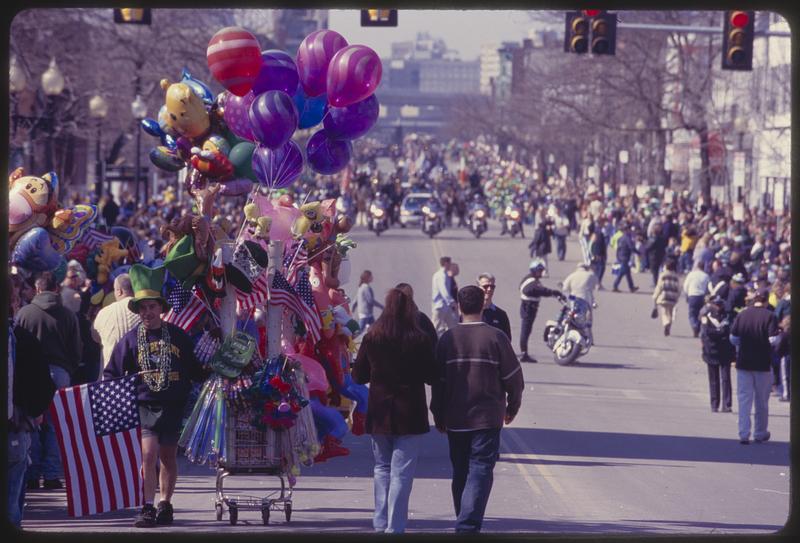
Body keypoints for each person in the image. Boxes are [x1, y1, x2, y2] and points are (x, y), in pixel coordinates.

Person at [104, 265, 206, 527]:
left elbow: (194, 369)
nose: (147, 312)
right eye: (143, 308)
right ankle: (147, 506)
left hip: (172, 404)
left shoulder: (179, 336)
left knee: (168, 457)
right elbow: (112, 373)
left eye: (151, 307)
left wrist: (215, 370)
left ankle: (165, 504)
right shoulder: (129, 340)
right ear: (138, 311)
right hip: (145, 404)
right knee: (148, 454)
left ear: (160, 308)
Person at [430, 285, 524, 533]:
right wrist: (513, 406)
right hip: (487, 419)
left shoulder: (447, 339)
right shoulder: (496, 337)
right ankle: (467, 525)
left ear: (459, 306)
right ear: (483, 304)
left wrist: (438, 413)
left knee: (461, 470)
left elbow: (438, 383)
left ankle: (464, 520)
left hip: (456, 418)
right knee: (480, 470)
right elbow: (514, 378)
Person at [352, 289, 437, 534]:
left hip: (380, 412)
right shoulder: (419, 339)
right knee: (402, 472)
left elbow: (358, 376)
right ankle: (395, 525)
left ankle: (380, 521)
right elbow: (432, 375)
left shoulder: (373, 337)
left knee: (381, 468)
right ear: (410, 308)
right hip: (410, 412)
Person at [16, 271, 82, 491]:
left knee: (32, 422)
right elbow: (76, 349)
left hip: (30, 374)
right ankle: (52, 474)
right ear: (56, 289)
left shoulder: (24, 313)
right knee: (55, 426)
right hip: (59, 372)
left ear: (37, 288)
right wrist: (69, 368)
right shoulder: (67, 314)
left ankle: (33, 474)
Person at [7, 277, 56, 528]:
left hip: (16, 422)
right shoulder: (22, 339)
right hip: (14, 424)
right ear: (13, 303)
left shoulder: (23, 338)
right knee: (12, 498)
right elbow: (43, 385)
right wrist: (32, 412)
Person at [730, 288, 780, 445]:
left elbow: (733, 337)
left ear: (753, 300)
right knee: (761, 401)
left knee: (744, 399)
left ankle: (743, 433)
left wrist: (743, 346)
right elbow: (773, 340)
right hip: (762, 363)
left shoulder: (743, 314)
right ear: (765, 301)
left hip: (743, 362)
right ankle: (759, 432)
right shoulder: (770, 316)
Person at [92, 273, 142, 377]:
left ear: (119, 291)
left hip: (112, 377)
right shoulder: (144, 310)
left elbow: (95, 336)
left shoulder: (104, 312)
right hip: (141, 374)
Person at [518, 259, 563, 363]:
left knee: (527, 331)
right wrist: (552, 292)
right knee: (525, 331)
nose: (541, 272)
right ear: (534, 270)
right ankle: (524, 354)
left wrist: (551, 293)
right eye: (539, 270)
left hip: (530, 307)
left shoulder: (532, 279)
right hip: (528, 308)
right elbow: (529, 290)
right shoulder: (531, 281)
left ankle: (524, 353)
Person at [699, 295, 735, 412]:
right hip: (711, 351)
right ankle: (714, 404)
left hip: (725, 351)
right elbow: (707, 332)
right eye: (716, 305)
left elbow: (729, 331)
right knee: (713, 379)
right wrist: (720, 333)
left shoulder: (728, 315)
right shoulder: (706, 315)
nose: (718, 307)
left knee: (726, 379)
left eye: (720, 305)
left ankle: (727, 404)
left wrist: (718, 333)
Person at [561, 262, 599, 344]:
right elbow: (596, 286)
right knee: (587, 320)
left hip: (574, 300)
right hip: (587, 299)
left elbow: (565, 288)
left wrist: (570, 297)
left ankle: (572, 337)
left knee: (573, 317)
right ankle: (590, 339)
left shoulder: (572, 275)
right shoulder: (590, 275)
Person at [477, 273, 511, 341]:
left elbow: (507, 340)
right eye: (485, 286)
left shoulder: (501, 315)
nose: (489, 289)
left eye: (492, 287)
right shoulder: (470, 313)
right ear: (478, 288)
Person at [652, 259, 681, 336]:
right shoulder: (676, 276)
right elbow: (679, 288)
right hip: (673, 298)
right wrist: (677, 296)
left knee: (664, 313)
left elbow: (659, 287)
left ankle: (666, 323)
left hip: (664, 296)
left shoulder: (663, 275)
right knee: (670, 313)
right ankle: (669, 326)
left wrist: (655, 296)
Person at [431, 256, 458, 336]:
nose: (450, 265)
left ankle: (452, 343)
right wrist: (452, 302)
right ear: (446, 263)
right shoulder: (440, 275)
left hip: (446, 306)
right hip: (440, 306)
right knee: (435, 327)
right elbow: (443, 291)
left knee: (452, 326)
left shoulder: (445, 275)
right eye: (449, 263)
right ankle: (431, 343)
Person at [683, 261, 710, 338]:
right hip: (702, 296)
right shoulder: (706, 276)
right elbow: (708, 287)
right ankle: (697, 327)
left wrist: (687, 294)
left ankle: (694, 325)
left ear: (697, 266)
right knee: (700, 314)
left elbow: (686, 285)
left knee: (692, 314)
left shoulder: (691, 274)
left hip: (693, 295)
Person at [612, 223, 640, 293]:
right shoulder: (627, 238)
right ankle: (615, 286)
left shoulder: (620, 238)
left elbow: (618, 248)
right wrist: (638, 253)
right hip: (625, 257)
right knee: (621, 273)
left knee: (627, 273)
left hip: (621, 256)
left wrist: (618, 257)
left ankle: (631, 287)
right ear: (626, 230)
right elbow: (631, 247)